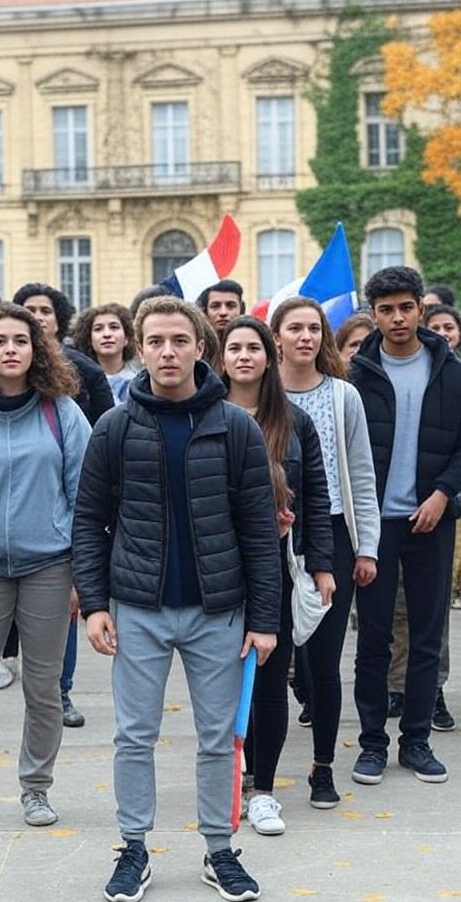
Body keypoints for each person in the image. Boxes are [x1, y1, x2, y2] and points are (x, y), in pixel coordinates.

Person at [72, 295, 282, 902]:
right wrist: (95, 603)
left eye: (179, 341)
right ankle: (133, 846)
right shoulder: (114, 425)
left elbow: (258, 527)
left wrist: (264, 618)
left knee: (219, 738)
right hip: (137, 607)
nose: (167, 352)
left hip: (220, 610)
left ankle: (220, 849)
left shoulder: (235, 425)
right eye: (156, 342)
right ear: (141, 348)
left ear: (199, 347)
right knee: (134, 736)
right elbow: (89, 520)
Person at [0, 302, 90, 829]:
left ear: (37, 349)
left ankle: (35, 788)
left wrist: (80, 572)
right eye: (0, 341)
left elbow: (86, 496)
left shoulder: (62, 412)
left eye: (21, 341)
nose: (11, 350)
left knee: (44, 686)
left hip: (49, 566)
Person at [219, 315, 334, 833]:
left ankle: (263, 788)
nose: (245, 356)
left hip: (278, 567)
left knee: (269, 679)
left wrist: (322, 564)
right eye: (235, 347)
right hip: (217, 568)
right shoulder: (205, 415)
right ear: (220, 357)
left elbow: (317, 496)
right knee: (218, 682)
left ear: (270, 356)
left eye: (254, 347)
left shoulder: (293, 421)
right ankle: (226, 778)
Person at [349, 265, 461, 785]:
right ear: (373, 315)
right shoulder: (355, 374)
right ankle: (372, 741)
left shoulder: (452, 370)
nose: (397, 318)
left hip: (430, 521)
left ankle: (415, 740)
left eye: (406, 307)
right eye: (386, 309)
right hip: (373, 527)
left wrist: (443, 493)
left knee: (426, 635)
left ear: (421, 308)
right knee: (373, 638)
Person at [270, 296, 380, 804]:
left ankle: (323, 766)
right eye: (295, 328)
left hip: (331, 533)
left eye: (314, 328)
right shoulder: (262, 396)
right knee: (271, 657)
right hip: (269, 536)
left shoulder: (342, 396)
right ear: (278, 337)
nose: (306, 337)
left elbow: (360, 474)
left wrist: (366, 549)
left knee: (324, 658)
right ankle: (257, 770)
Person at [12, 282, 114, 725]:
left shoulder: (82, 374)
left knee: (62, 621)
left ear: (58, 319)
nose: (37, 317)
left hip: (55, 530)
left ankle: (62, 692)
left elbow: (106, 425)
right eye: (28, 311)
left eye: (44, 311)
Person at [70, 303, 138, 404]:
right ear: (89, 340)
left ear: (127, 338)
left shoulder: (140, 382)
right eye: (98, 329)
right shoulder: (79, 384)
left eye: (114, 327)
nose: (107, 334)